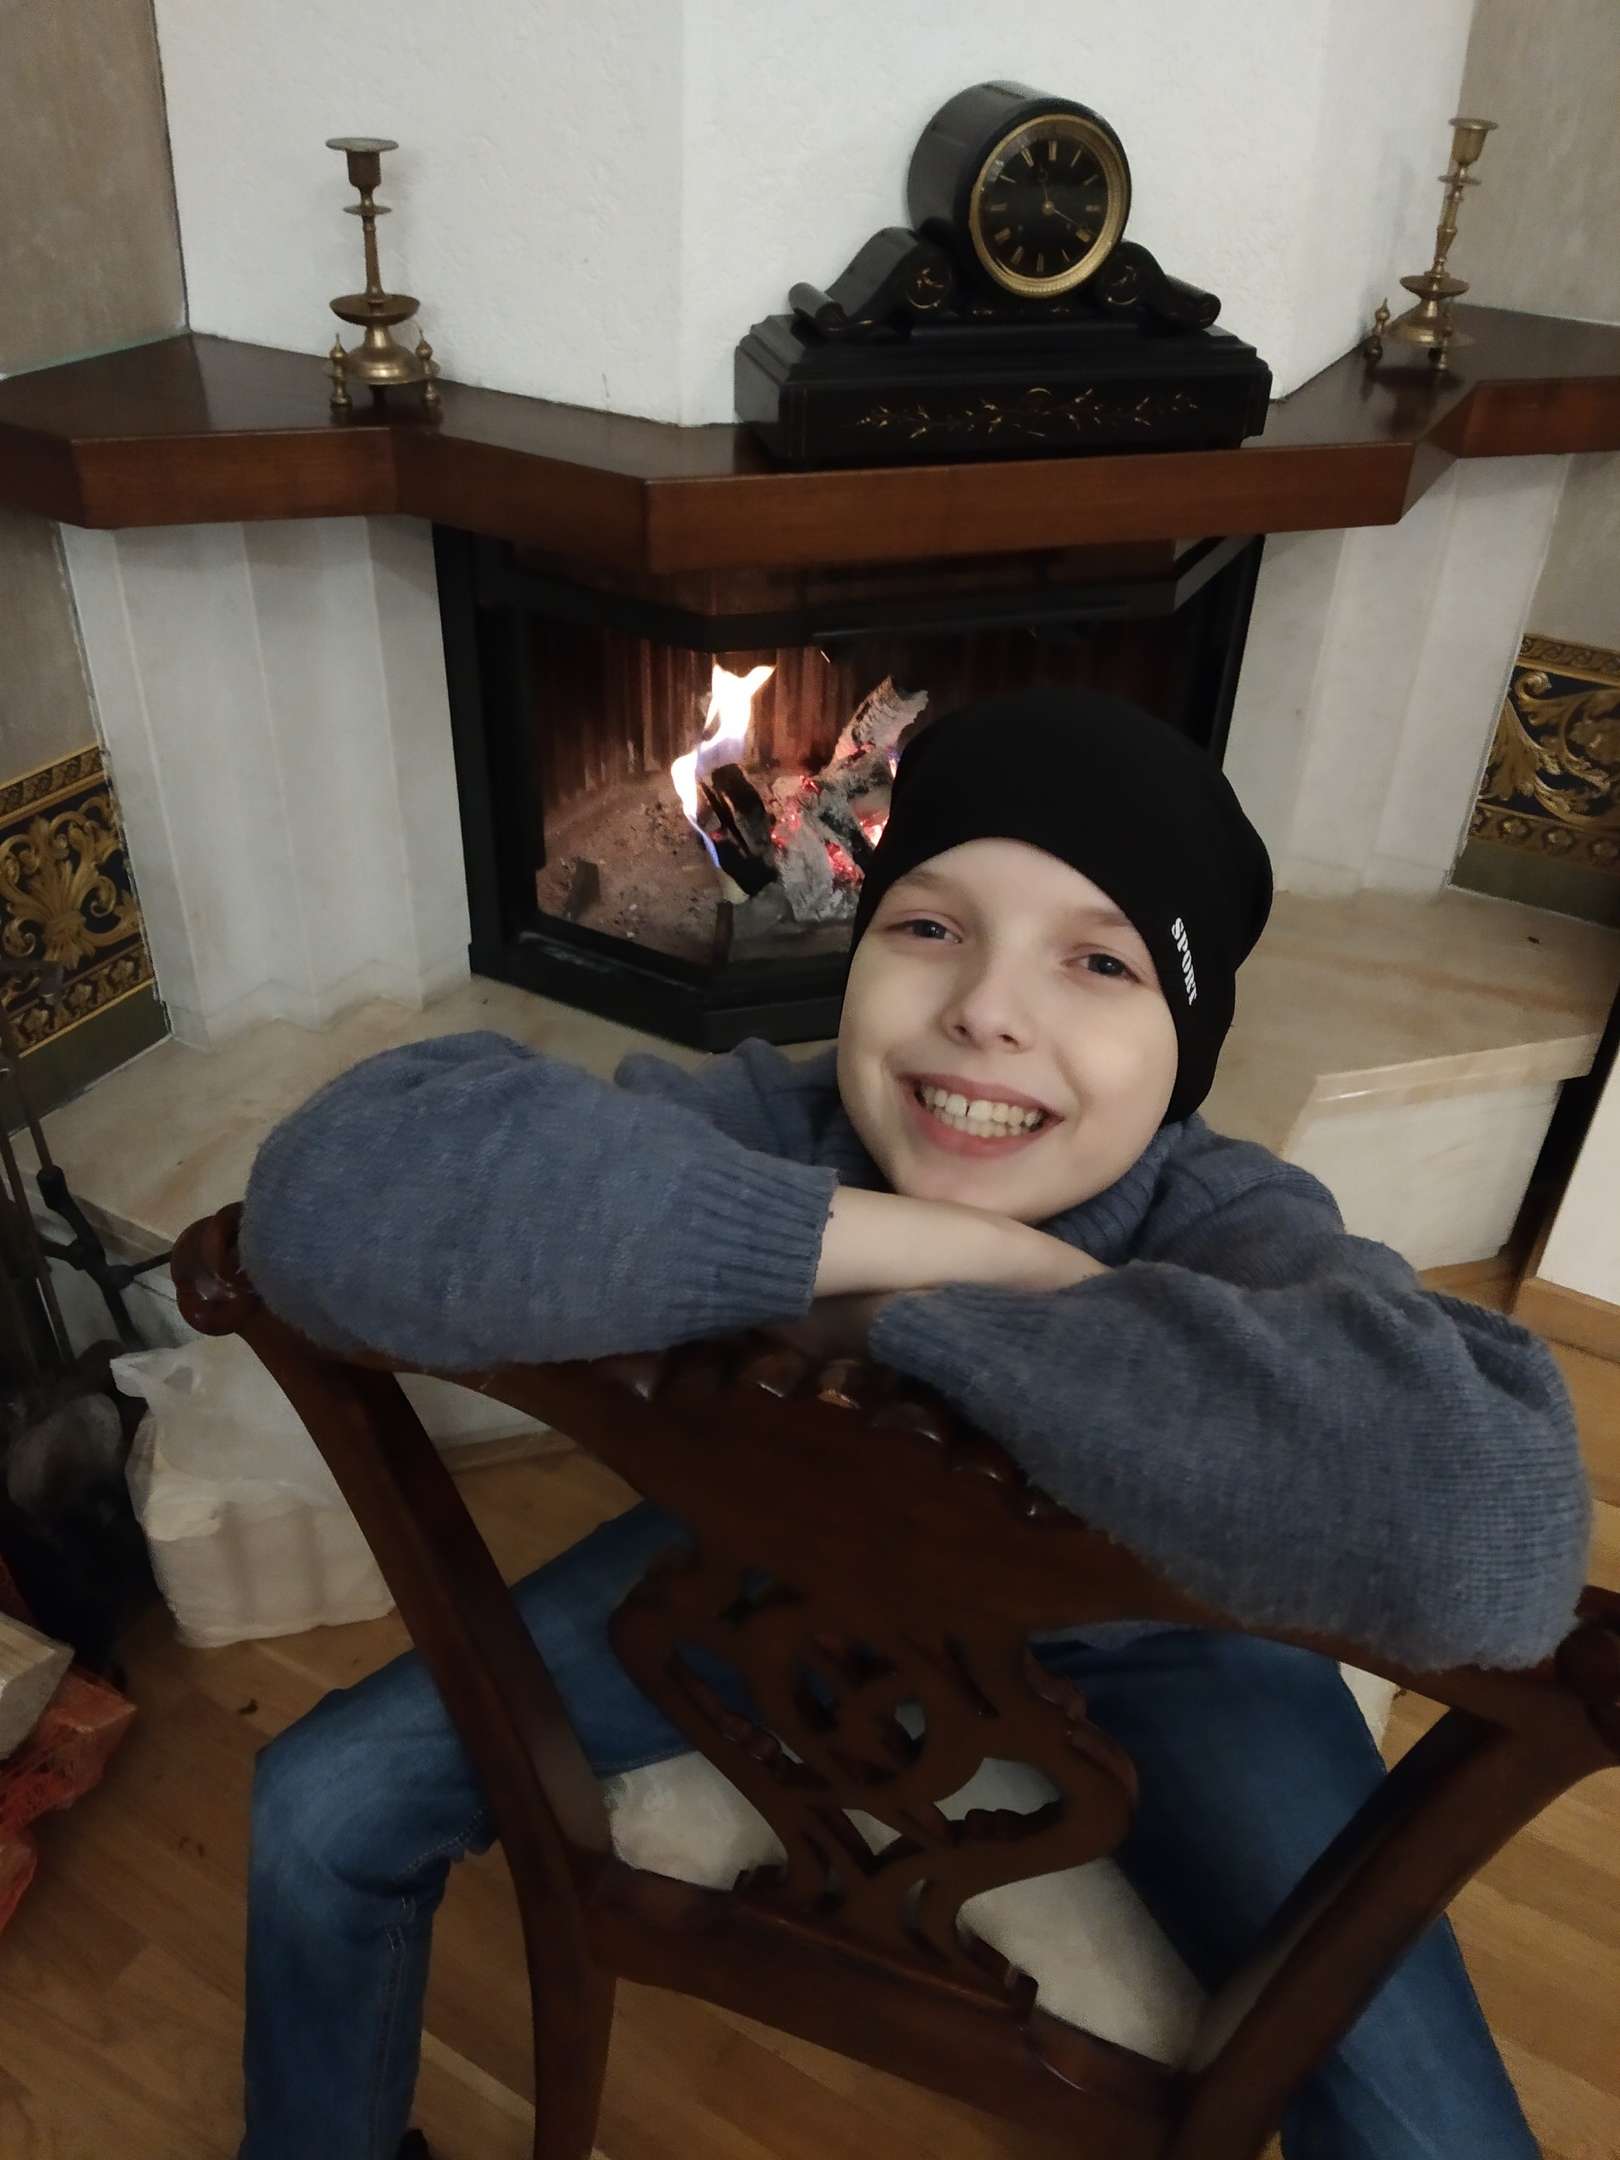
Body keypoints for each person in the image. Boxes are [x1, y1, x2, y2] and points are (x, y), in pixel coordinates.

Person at [235, 690, 1589, 2160]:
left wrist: (938, 1315)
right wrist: (969, 1253)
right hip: (784, 1565)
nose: (988, 1009)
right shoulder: (791, 1121)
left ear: (1183, 1052)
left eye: (1101, 961)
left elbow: (1495, 1533)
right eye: (931, 927)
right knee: (320, 1805)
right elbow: (330, 1192)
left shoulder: (1231, 1216)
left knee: (1433, 2130)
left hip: (1169, 1643)